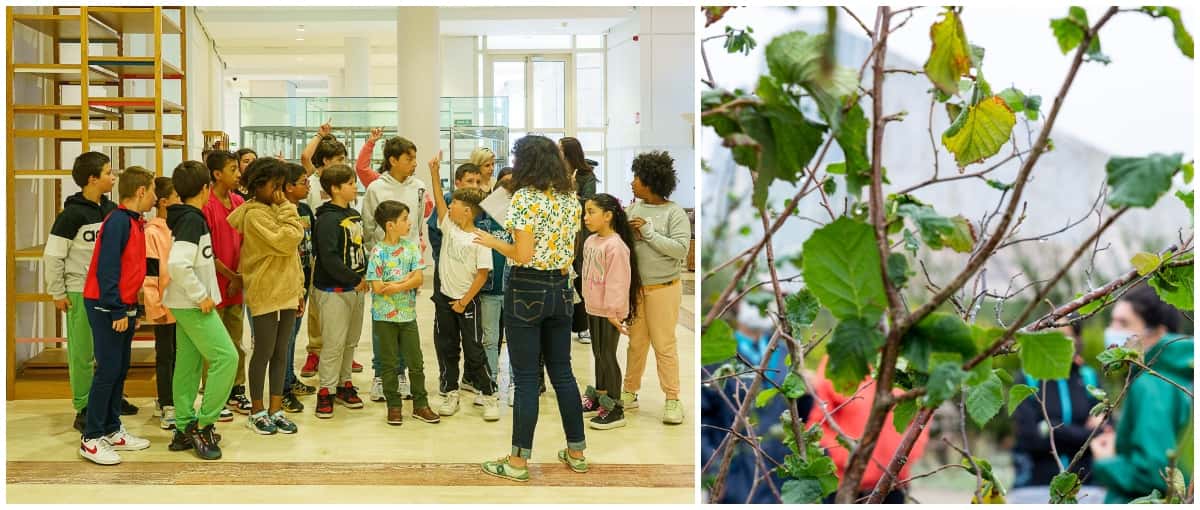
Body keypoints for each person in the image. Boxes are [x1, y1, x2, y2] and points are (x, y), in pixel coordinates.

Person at [475, 135, 587, 482]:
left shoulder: (524, 199)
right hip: (562, 290)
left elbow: (522, 255)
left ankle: (518, 462)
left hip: (526, 288)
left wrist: (493, 241)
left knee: (525, 379)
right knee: (563, 373)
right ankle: (577, 452)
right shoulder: (572, 200)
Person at [77, 166, 156, 465]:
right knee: (108, 370)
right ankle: (91, 437)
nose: (154, 197)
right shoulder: (118, 222)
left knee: (120, 367)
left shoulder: (135, 222)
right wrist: (115, 308)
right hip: (104, 304)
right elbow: (107, 268)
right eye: (152, 191)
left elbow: (132, 269)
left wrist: (133, 307)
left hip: (122, 304)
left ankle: (111, 428)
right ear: (140, 191)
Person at [1090, 284, 1194, 503]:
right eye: (1113, 320)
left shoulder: (1150, 384)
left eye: (1124, 323)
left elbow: (1155, 472)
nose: (1112, 330)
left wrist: (1107, 461)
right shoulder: (1184, 375)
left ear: (1157, 333)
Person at [163, 160, 237, 461]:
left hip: (183, 304)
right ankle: (204, 424)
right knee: (227, 357)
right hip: (192, 304)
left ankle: (183, 426)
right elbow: (178, 264)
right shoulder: (192, 220)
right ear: (206, 188)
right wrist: (201, 295)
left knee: (188, 364)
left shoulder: (185, 217)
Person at [227, 157, 304, 435]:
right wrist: (286, 207)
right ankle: (257, 409)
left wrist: (300, 289)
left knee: (282, 352)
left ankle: (276, 408)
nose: (280, 192)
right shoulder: (254, 214)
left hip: (287, 289)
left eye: (282, 186)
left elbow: (293, 254)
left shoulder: (277, 209)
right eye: (275, 186)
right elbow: (287, 240)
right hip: (265, 290)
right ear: (258, 185)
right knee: (263, 351)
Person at [44, 151, 117, 433]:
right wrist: (57, 292)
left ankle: (109, 399)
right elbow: (53, 256)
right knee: (82, 353)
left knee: (109, 350)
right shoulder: (72, 215)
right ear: (92, 179)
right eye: (109, 173)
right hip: (78, 292)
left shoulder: (111, 210)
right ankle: (84, 406)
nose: (114, 177)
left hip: (107, 292)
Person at [361, 132, 436, 402]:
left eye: (414, 158)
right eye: (408, 158)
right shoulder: (376, 188)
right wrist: (377, 260)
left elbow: (417, 224)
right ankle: (382, 374)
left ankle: (401, 373)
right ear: (392, 160)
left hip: (409, 263)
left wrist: (414, 256)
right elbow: (368, 226)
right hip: (383, 263)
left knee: (406, 320)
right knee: (382, 321)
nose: (414, 163)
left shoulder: (417, 186)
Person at [622, 151, 690, 425]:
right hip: (637, 288)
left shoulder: (674, 213)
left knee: (664, 344)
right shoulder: (633, 209)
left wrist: (648, 233)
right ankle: (629, 391)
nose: (633, 183)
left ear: (650, 181)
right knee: (635, 343)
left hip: (664, 288)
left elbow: (680, 250)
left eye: (637, 177)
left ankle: (672, 399)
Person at [428, 158, 498, 420]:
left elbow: (481, 276)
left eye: (455, 204)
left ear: (467, 210)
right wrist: (434, 173)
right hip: (445, 302)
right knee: (446, 348)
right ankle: (450, 392)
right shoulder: (449, 228)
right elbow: (438, 201)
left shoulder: (480, 239)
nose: (449, 207)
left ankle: (489, 394)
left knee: (474, 351)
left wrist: (464, 301)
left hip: (468, 304)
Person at [807, 355, 929, 503]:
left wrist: (902, 458)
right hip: (845, 486)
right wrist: (847, 458)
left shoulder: (906, 361)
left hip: (893, 486)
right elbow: (817, 423)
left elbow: (921, 418)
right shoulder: (840, 357)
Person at [1009, 319, 1105, 504]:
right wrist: (1085, 434)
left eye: (1063, 338)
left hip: (1085, 487)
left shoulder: (1089, 377)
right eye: (1050, 337)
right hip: (1035, 486)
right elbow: (1030, 438)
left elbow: (1104, 431)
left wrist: (1051, 427)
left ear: (1077, 340)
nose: (1054, 344)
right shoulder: (1029, 379)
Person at [366, 200, 440, 426]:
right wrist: (406, 280)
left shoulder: (410, 247)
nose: (408, 223)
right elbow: (377, 287)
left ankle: (421, 404)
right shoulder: (378, 251)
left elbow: (418, 278)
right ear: (390, 225)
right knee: (388, 363)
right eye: (404, 220)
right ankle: (394, 406)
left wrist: (396, 284)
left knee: (415, 361)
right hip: (383, 317)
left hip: (407, 316)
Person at [299, 120, 362, 377]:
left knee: (347, 309)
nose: (342, 163)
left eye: (344, 159)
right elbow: (305, 156)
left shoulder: (346, 189)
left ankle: (346, 354)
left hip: (345, 250)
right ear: (323, 161)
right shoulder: (314, 181)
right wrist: (319, 135)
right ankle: (315, 352)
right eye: (337, 159)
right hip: (321, 250)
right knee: (318, 309)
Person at [311, 164, 368, 419]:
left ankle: (345, 383)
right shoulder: (325, 220)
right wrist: (353, 279)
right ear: (334, 188)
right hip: (334, 290)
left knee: (350, 341)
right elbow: (329, 257)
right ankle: (326, 390)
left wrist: (363, 277)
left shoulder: (354, 215)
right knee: (333, 343)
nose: (355, 188)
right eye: (350, 184)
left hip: (357, 288)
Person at [579, 193, 641, 430]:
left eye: (591, 212)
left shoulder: (616, 246)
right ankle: (599, 398)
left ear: (608, 216)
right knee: (597, 354)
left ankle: (615, 409)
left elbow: (618, 282)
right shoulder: (591, 241)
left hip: (609, 311)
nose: (586, 217)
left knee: (607, 355)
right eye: (585, 212)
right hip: (593, 307)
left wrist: (615, 313)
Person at [202, 150, 251, 415]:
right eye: (233, 169)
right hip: (214, 285)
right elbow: (207, 251)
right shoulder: (207, 205)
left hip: (237, 285)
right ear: (217, 174)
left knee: (236, 340)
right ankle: (214, 394)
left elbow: (245, 243)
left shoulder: (239, 201)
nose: (238, 174)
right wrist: (231, 277)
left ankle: (236, 390)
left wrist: (240, 276)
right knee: (215, 343)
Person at [280, 162, 317, 412]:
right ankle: (280, 390)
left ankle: (289, 379)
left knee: (293, 336)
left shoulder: (304, 209)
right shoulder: (278, 211)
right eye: (304, 181)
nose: (308, 185)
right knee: (284, 339)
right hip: (284, 283)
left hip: (303, 280)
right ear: (288, 186)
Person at [145, 176, 180, 430]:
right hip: (163, 306)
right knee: (165, 355)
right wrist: (155, 306)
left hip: (181, 306)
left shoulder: (179, 227)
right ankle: (166, 403)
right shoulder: (152, 233)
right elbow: (150, 273)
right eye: (178, 197)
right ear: (165, 202)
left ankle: (172, 399)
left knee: (179, 355)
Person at [561, 137, 595, 344]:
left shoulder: (586, 175)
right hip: (560, 232)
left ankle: (583, 327)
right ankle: (565, 323)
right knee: (564, 276)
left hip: (579, 233)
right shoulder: (555, 173)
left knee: (580, 276)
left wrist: (572, 190)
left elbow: (589, 202)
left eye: (560, 151)